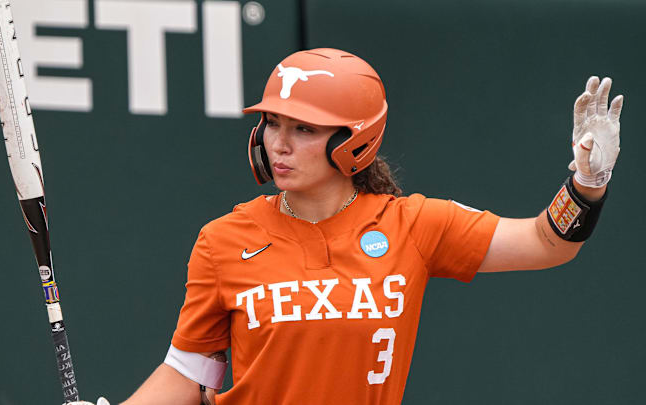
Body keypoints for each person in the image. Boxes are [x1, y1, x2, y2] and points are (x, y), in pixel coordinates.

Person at [67, 48, 623, 405]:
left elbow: (547, 242)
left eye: (304, 129)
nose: (278, 143)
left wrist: (587, 182)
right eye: (272, 123)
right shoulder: (222, 241)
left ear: (355, 139)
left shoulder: (414, 226)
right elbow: (189, 375)